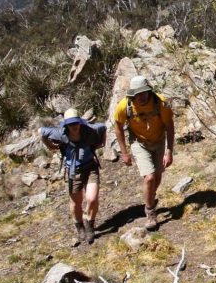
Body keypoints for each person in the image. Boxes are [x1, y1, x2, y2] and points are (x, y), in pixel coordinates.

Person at [113, 75, 174, 230]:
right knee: (149, 177)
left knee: (157, 177)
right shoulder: (124, 106)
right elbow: (118, 126)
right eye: (137, 94)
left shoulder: (161, 102)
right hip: (139, 143)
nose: (141, 96)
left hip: (159, 141)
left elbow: (169, 125)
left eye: (144, 93)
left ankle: (150, 199)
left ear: (148, 91)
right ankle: (150, 212)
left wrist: (169, 150)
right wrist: (124, 152)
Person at [40, 108, 107, 246]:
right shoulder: (60, 133)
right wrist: (50, 146)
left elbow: (103, 127)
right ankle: (79, 226)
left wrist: (101, 143)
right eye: (70, 124)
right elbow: (42, 132)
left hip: (90, 168)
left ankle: (89, 224)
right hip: (73, 171)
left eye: (76, 123)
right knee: (76, 203)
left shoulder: (89, 129)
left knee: (92, 198)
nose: (74, 126)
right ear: (66, 125)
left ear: (80, 123)